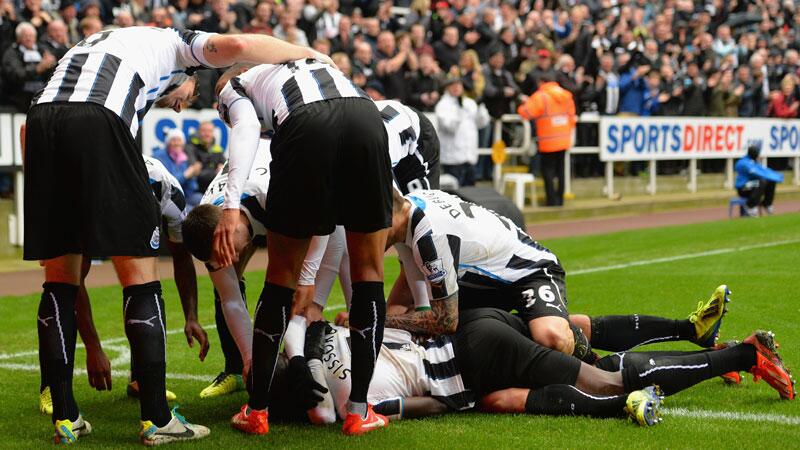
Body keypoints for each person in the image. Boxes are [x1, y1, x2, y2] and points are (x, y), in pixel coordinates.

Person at [24, 25, 333, 445]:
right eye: (187, 97)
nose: (178, 107)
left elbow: (35, 125)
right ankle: (156, 419)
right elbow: (240, 45)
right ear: (191, 70)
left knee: (59, 279)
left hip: (41, 122)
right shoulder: (175, 43)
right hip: (99, 118)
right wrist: (309, 53)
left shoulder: (108, 43)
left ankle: (65, 418)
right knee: (140, 273)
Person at [211, 59, 393, 437]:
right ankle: (359, 411)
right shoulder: (305, 63)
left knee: (280, 280)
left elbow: (245, 128)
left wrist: (230, 207)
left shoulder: (235, 83)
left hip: (305, 123)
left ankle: (257, 410)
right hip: (366, 115)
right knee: (369, 273)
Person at [37, 155, 204, 413]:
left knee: (145, 284)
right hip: (82, 197)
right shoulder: (88, 195)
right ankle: (53, 387)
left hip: (118, 192)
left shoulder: (169, 195)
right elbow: (75, 281)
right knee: (61, 283)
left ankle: (140, 379)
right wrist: (94, 349)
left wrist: (191, 316)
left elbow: (182, 257)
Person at [517, 74, 576, 206]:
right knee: (561, 170)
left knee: (547, 171)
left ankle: (551, 200)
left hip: (548, 140)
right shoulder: (566, 95)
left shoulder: (541, 96)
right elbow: (572, 117)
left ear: (541, 82)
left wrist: (523, 103)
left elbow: (525, 112)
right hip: (563, 139)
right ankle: (560, 199)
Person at [435, 76, 490, 187]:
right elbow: (450, 127)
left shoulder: (469, 103)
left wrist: (481, 108)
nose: (456, 88)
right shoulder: (442, 105)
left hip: (469, 157)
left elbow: (481, 123)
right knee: (454, 194)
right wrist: (459, 111)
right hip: (452, 159)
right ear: (447, 88)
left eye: (458, 85)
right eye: (453, 85)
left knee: (470, 194)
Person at [1, 21, 56, 112]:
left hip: (43, 97)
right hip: (19, 99)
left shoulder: (43, 50)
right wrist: (38, 68)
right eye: (25, 36)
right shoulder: (11, 53)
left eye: (31, 36)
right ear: (18, 38)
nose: (29, 39)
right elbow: (17, 74)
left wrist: (51, 65)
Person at [153, 128, 204, 208]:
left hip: (184, 195)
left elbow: (193, 187)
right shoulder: (160, 156)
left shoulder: (184, 157)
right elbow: (168, 183)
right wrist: (185, 175)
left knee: (203, 201)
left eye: (179, 140)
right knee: (190, 211)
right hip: (167, 198)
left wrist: (194, 174)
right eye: (173, 140)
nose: (176, 143)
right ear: (168, 142)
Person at [735, 144, 783, 217]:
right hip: (743, 187)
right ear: (754, 154)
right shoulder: (743, 163)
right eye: (757, 154)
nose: (758, 156)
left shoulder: (754, 162)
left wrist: (777, 176)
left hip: (753, 186)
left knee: (771, 181)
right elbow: (757, 173)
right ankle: (750, 206)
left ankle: (767, 204)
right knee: (761, 181)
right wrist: (775, 177)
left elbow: (765, 170)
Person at [186, 121, 226, 193]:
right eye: (204, 131)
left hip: (214, 190)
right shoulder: (190, 147)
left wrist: (221, 170)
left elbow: (225, 169)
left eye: (210, 131)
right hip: (196, 190)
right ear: (198, 132)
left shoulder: (217, 149)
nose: (207, 134)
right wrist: (216, 173)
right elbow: (195, 173)